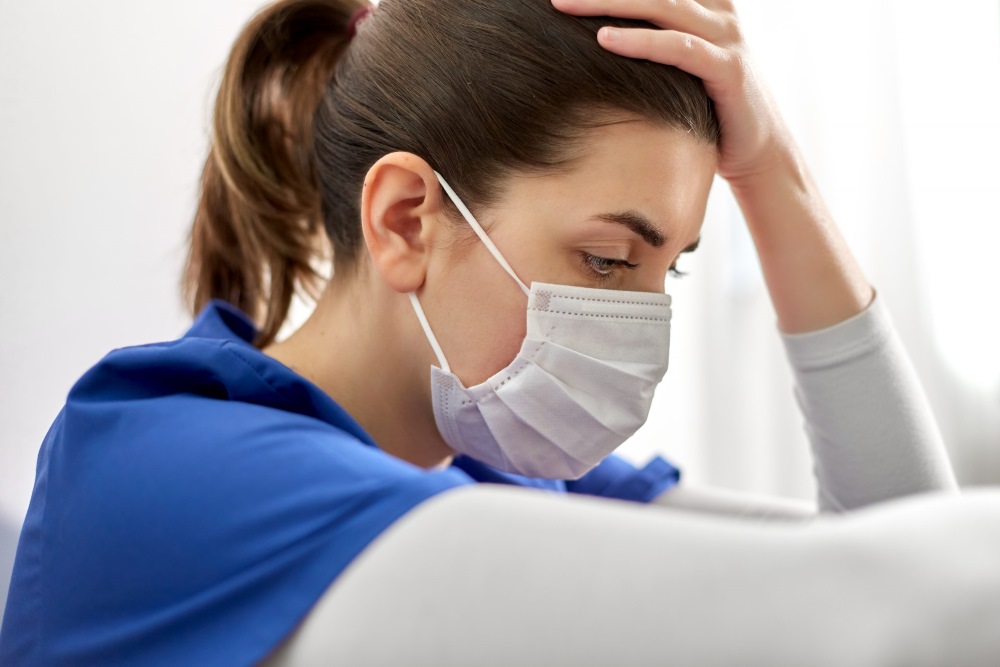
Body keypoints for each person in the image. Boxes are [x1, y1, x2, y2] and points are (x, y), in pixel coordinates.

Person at [2, 0, 999, 665]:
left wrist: (770, 169)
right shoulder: (169, 465)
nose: (642, 321)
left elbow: (899, 551)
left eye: (671, 268)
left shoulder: (491, 468)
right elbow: (892, 609)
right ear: (405, 221)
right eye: (608, 260)